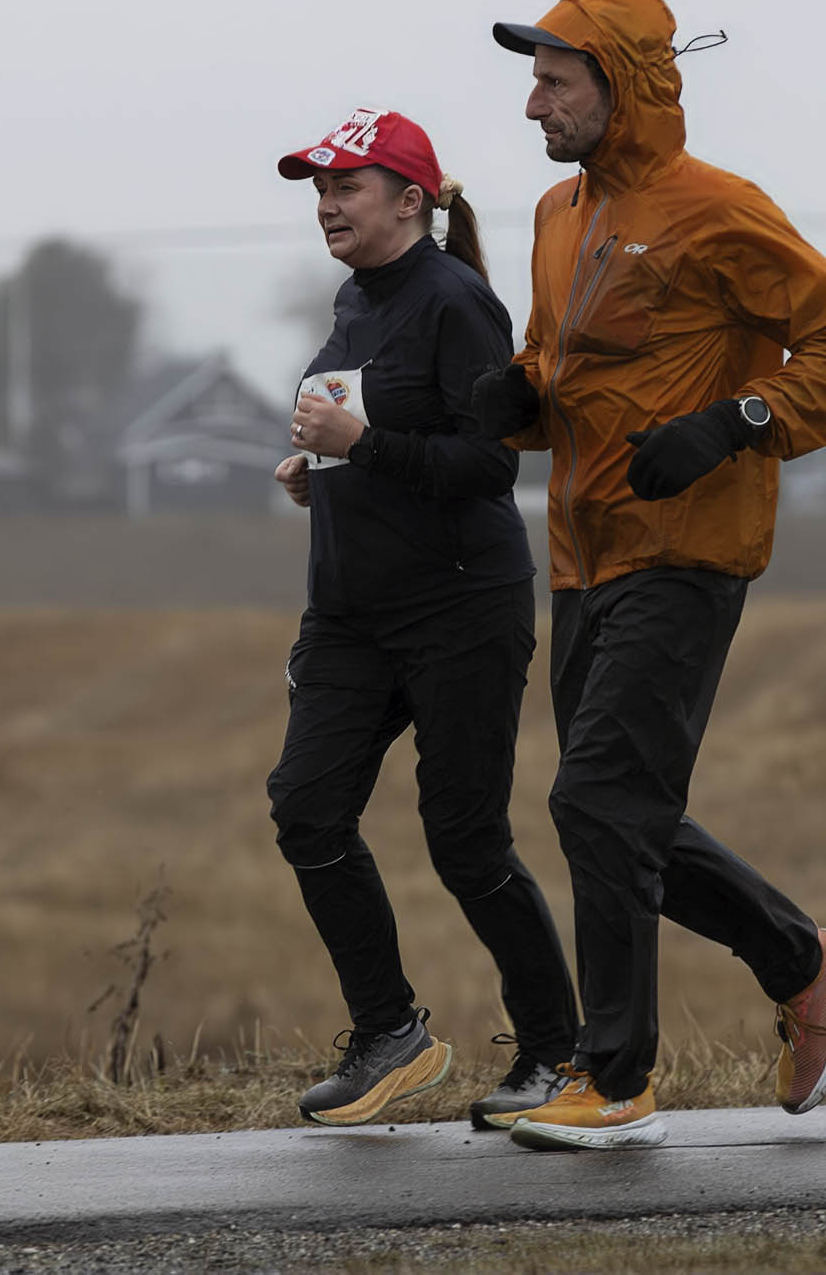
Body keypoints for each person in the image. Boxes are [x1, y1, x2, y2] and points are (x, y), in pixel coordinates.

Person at [472, 0, 826, 1151]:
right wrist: (515, 399)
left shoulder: (718, 209)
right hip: (580, 553)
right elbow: (561, 370)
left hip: (689, 550)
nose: (532, 102)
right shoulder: (558, 213)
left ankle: (612, 1079)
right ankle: (804, 960)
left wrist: (737, 417)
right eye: (533, 77)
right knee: (621, 813)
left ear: (624, 83)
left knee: (595, 800)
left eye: (553, 79)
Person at [266, 106, 578, 1129]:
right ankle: (389, 1032)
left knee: (464, 840)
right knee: (307, 809)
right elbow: (368, 432)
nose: (325, 205)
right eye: (318, 188)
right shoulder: (355, 299)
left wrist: (361, 447)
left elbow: (489, 463)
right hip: (351, 615)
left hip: (459, 611)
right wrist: (319, 465)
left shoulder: (458, 303)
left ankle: (553, 1053)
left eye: (343, 186)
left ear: (411, 199)